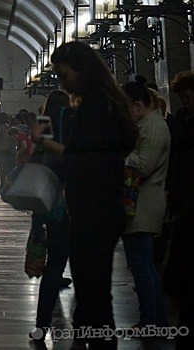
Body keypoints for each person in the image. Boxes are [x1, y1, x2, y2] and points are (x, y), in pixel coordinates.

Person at [30, 41, 138, 349]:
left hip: (94, 210)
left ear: (81, 71)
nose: (62, 83)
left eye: (64, 76)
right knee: (94, 291)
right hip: (102, 209)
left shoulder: (94, 106)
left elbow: (81, 159)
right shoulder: (108, 103)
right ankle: (85, 339)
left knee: (93, 293)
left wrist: (44, 142)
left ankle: (94, 342)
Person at [121, 81, 170, 328]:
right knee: (144, 265)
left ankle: (150, 320)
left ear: (138, 105)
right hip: (142, 203)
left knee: (140, 265)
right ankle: (156, 318)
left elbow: (144, 165)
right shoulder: (148, 125)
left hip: (143, 205)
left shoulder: (153, 127)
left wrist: (121, 152)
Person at [28, 89, 72, 341]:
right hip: (71, 203)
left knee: (53, 265)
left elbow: (35, 162)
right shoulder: (71, 122)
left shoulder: (43, 124)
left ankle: (41, 325)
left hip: (47, 202)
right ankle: (85, 326)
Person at [163, 70, 194, 349]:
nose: (185, 101)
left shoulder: (184, 122)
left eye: (188, 95)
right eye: (182, 97)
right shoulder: (183, 120)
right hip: (182, 193)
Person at [0, 112, 15, 193]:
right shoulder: (7, 127)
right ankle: (5, 186)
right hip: (6, 151)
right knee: (6, 170)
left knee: (2, 170)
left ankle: (2, 185)